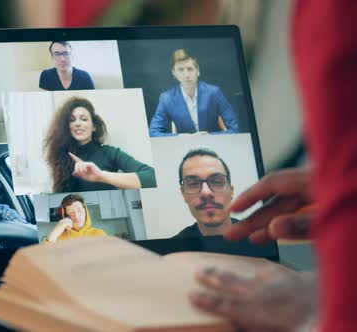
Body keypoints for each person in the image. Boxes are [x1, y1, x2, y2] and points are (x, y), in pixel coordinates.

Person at [189, 2, 357, 331]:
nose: (206, 192)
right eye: (193, 183)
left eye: (215, 180)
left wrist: (318, 312)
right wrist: (336, 186)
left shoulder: (335, 15)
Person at [44, 97, 157, 193]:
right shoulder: (61, 157)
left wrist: (102, 176)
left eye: (84, 119)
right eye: (72, 120)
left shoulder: (110, 153)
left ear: (94, 126)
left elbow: (152, 177)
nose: (78, 123)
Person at [148, 49, 239, 137]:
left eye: (190, 69)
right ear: (174, 73)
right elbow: (153, 132)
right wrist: (179, 137)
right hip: (184, 148)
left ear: (198, 71)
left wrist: (209, 136)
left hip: (214, 146)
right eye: (180, 70)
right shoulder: (167, 98)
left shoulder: (214, 93)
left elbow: (236, 129)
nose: (186, 75)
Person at [173, 149, 238, 238]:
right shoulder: (174, 248)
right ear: (183, 194)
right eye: (193, 184)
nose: (206, 192)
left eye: (217, 182)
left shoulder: (261, 237)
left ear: (231, 191)